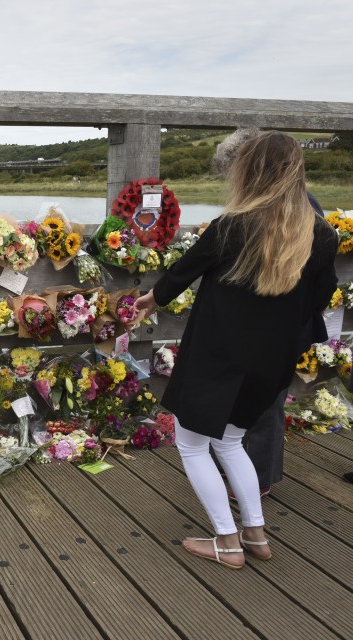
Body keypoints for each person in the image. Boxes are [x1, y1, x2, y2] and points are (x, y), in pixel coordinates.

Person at [135, 131, 338, 569]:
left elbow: (181, 273)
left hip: (219, 354)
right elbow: (321, 297)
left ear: (249, 172)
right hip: (271, 362)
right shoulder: (322, 236)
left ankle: (227, 542)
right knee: (231, 443)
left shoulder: (232, 226)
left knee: (191, 445)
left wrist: (153, 300)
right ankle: (255, 534)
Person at [212, 128, 328, 498]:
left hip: (278, 324)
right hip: (270, 323)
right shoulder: (282, 204)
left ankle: (258, 478)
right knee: (251, 399)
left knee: (265, 405)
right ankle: (242, 469)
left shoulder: (301, 208)